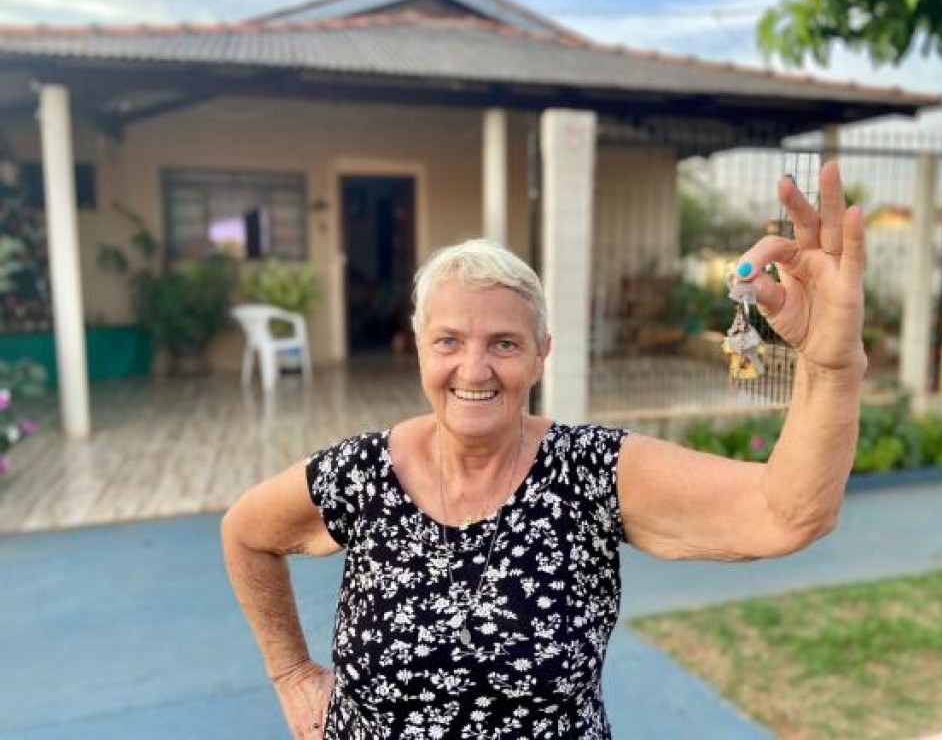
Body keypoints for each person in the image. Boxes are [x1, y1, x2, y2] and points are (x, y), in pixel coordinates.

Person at [222, 161, 867, 739]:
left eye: (504, 343)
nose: (474, 369)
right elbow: (246, 533)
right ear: (419, 349)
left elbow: (786, 513)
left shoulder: (589, 473)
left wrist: (832, 366)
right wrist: (291, 673)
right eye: (448, 341)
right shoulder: (364, 473)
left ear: (540, 356)